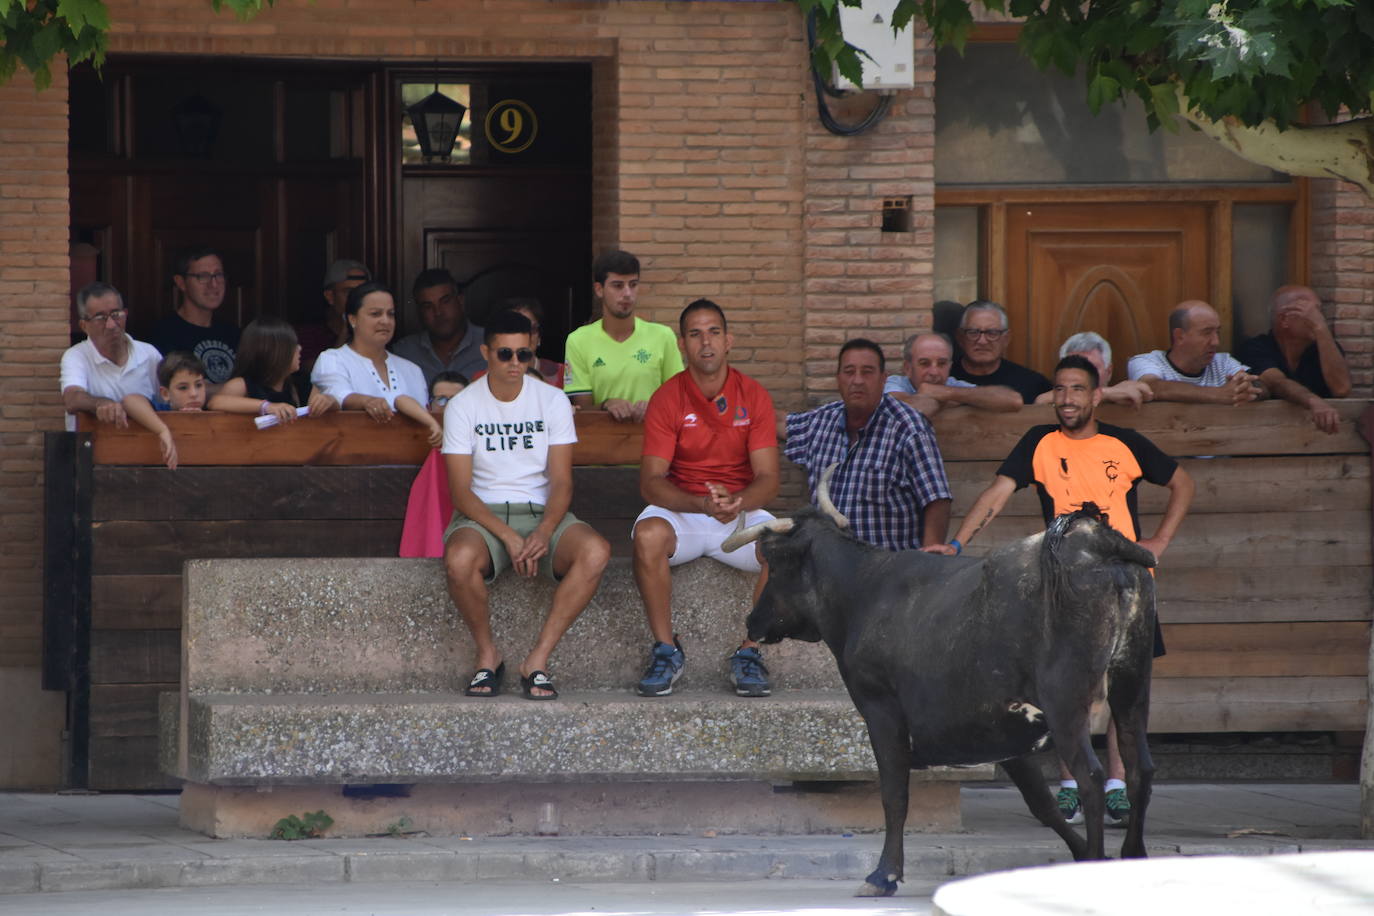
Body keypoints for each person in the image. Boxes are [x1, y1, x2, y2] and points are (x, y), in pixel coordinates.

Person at [928, 354, 1195, 828]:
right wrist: (955, 544)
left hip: (1128, 585)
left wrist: (1159, 543)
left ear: (1096, 395)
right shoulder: (1040, 442)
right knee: (1071, 690)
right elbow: (996, 493)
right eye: (1060, 390)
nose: (1067, 398)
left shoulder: (1124, 442)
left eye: (1077, 389)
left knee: (1124, 693)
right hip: (1066, 588)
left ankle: (1116, 784)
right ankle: (1072, 783)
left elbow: (1182, 482)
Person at [442, 310, 611, 700]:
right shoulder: (463, 406)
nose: (515, 364)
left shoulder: (552, 401)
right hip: (482, 516)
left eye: (524, 355)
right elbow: (461, 492)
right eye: (505, 354)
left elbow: (562, 480)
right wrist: (507, 536)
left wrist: (545, 530)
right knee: (459, 560)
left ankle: (537, 660)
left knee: (596, 550)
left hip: (541, 511)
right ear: (486, 352)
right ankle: (488, 656)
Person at [632, 299, 779, 698]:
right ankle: (666, 649)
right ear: (682, 344)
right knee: (647, 536)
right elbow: (651, 482)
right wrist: (700, 505)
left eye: (714, 332)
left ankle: (750, 653)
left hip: (737, 512)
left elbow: (768, 478)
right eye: (695, 334)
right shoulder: (668, 397)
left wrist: (739, 501)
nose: (706, 342)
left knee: (785, 547)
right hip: (687, 512)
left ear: (728, 340)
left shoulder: (754, 395)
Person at [787, 338, 952, 550]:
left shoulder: (909, 429)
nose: (857, 380)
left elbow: (937, 500)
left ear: (883, 379)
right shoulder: (819, 422)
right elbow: (776, 423)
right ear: (838, 379)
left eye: (867, 372)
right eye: (849, 372)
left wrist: (930, 559)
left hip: (887, 570)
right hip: (827, 566)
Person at [311, 281, 442, 447]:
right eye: (375, 314)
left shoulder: (412, 369)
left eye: (391, 314)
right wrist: (366, 402)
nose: (385, 321)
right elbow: (338, 395)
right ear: (353, 319)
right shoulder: (333, 359)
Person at [564, 250, 684, 421]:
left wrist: (655, 405)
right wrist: (606, 404)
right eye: (618, 286)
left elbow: (679, 398)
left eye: (633, 284)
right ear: (599, 290)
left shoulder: (663, 336)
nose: (627, 293)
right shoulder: (578, 340)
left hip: (655, 440)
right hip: (601, 441)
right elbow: (581, 409)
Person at [1237, 285, 1351, 434]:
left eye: (1319, 312)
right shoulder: (1256, 347)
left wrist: (1321, 329)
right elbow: (1276, 382)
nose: (1319, 318)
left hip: (1320, 443)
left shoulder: (1325, 347)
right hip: (1265, 439)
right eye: (1311, 313)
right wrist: (1313, 401)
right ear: (1284, 319)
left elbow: (1341, 389)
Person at [60, 282, 161, 431]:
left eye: (115, 315)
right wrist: (100, 403)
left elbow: (169, 395)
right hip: (92, 451)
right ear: (83, 326)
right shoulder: (76, 356)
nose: (111, 324)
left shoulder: (149, 354)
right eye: (100, 318)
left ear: (125, 314)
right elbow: (72, 399)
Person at [1126, 301, 1265, 405]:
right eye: (1207, 333)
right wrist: (1219, 394)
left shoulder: (1223, 362)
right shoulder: (1146, 361)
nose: (1216, 342)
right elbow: (1152, 387)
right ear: (1180, 336)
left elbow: (1261, 386)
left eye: (1217, 332)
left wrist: (1249, 388)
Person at [207, 317, 338, 422]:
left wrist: (329, 401)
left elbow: (330, 406)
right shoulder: (243, 384)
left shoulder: (299, 384)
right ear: (274, 351)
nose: (299, 348)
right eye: (292, 345)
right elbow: (215, 402)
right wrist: (267, 407)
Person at [399, 371, 471, 559]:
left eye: (456, 400)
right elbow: (400, 399)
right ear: (429, 405)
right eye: (441, 400)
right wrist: (432, 423)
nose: (448, 406)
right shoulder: (428, 425)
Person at [148, 246, 240, 385]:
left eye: (218, 275)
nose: (214, 284)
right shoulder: (163, 334)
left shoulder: (234, 334)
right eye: (203, 276)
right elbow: (175, 390)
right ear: (181, 282)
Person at [391, 268, 487, 388]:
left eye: (445, 301)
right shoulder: (404, 352)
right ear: (419, 312)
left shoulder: (490, 344)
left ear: (460, 301)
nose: (438, 312)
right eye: (428, 306)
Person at [885, 332, 1022, 416]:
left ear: (950, 366)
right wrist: (950, 401)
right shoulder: (896, 383)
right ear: (908, 368)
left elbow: (1014, 400)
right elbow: (902, 410)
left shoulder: (951, 385)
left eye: (942, 363)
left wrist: (947, 394)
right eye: (924, 363)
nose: (934, 372)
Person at [949, 300, 1052, 403]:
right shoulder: (945, 377)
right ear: (960, 337)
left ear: (1006, 339)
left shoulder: (1032, 383)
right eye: (973, 332)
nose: (982, 341)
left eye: (992, 333)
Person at [121, 352, 208, 470]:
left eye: (198, 385)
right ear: (165, 394)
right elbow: (129, 400)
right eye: (183, 388)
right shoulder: (159, 411)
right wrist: (162, 430)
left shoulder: (210, 408)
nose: (194, 394)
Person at [1033, 332, 1154, 409]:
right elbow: (1041, 401)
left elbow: (1146, 392)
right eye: (1075, 370)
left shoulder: (1124, 394)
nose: (1082, 378)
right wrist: (1106, 393)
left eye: (1091, 368)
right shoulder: (1055, 398)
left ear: (1109, 371)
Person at [295, 259, 370, 377]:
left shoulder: (375, 330)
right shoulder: (309, 333)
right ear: (330, 296)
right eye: (349, 292)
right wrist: (345, 331)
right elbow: (318, 373)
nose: (357, 299)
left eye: (363, 292)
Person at [470, 300, 564, 388]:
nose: (524, 336)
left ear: (539, 336)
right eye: (513, 329)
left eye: (531, 328)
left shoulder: (562, 373)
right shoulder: (481, 379)